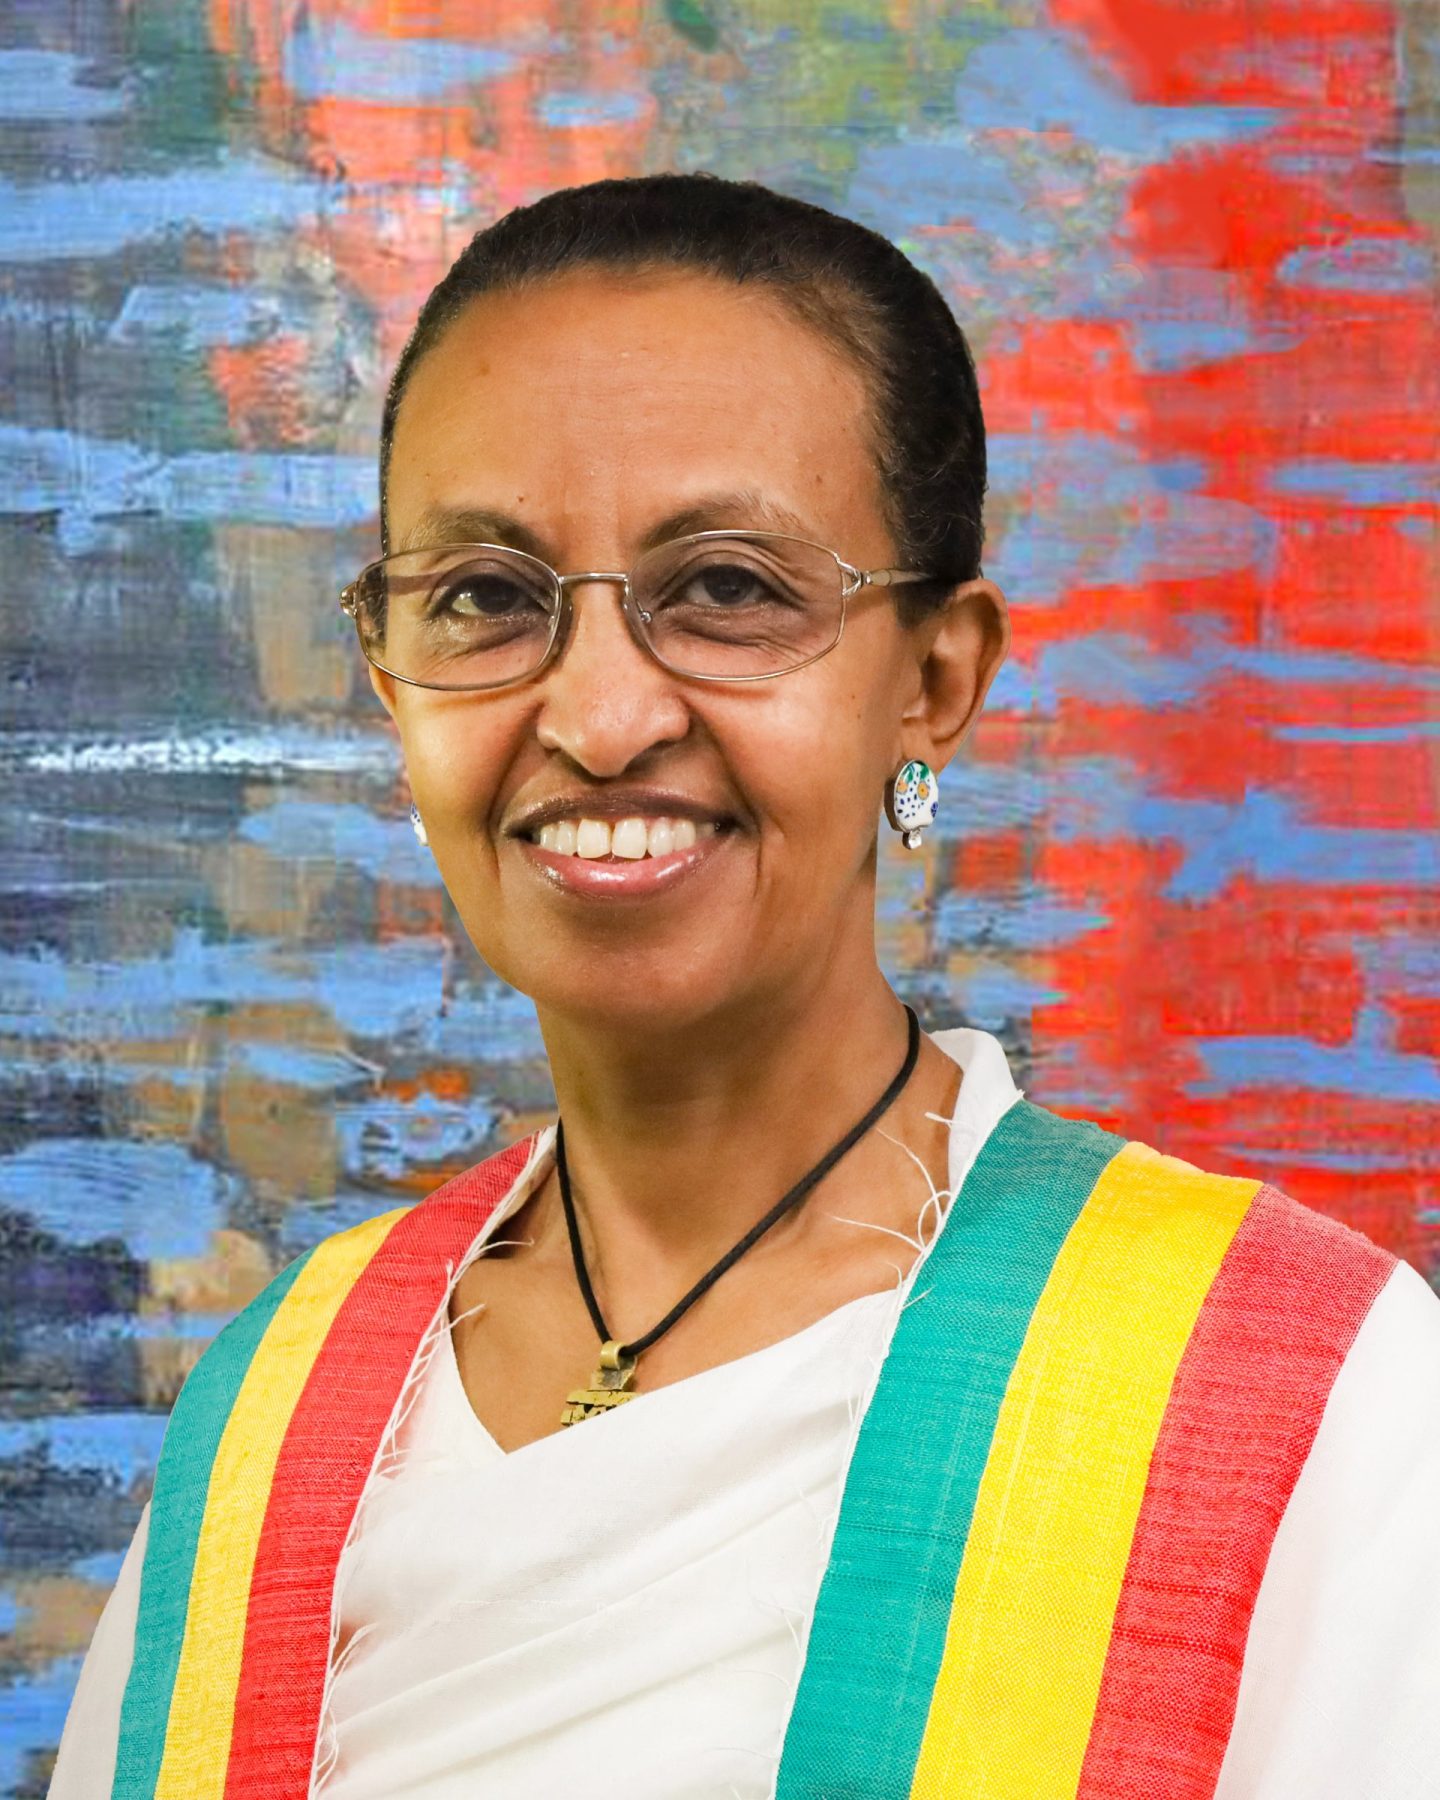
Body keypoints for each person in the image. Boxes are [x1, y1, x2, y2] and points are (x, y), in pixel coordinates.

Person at [51, 173, 1440, 1800]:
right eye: (484, 598)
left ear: (936, 680)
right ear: (387, 670)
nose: (601, 714)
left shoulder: (1290, 1394)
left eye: (727, 589)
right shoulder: (271, 1414)